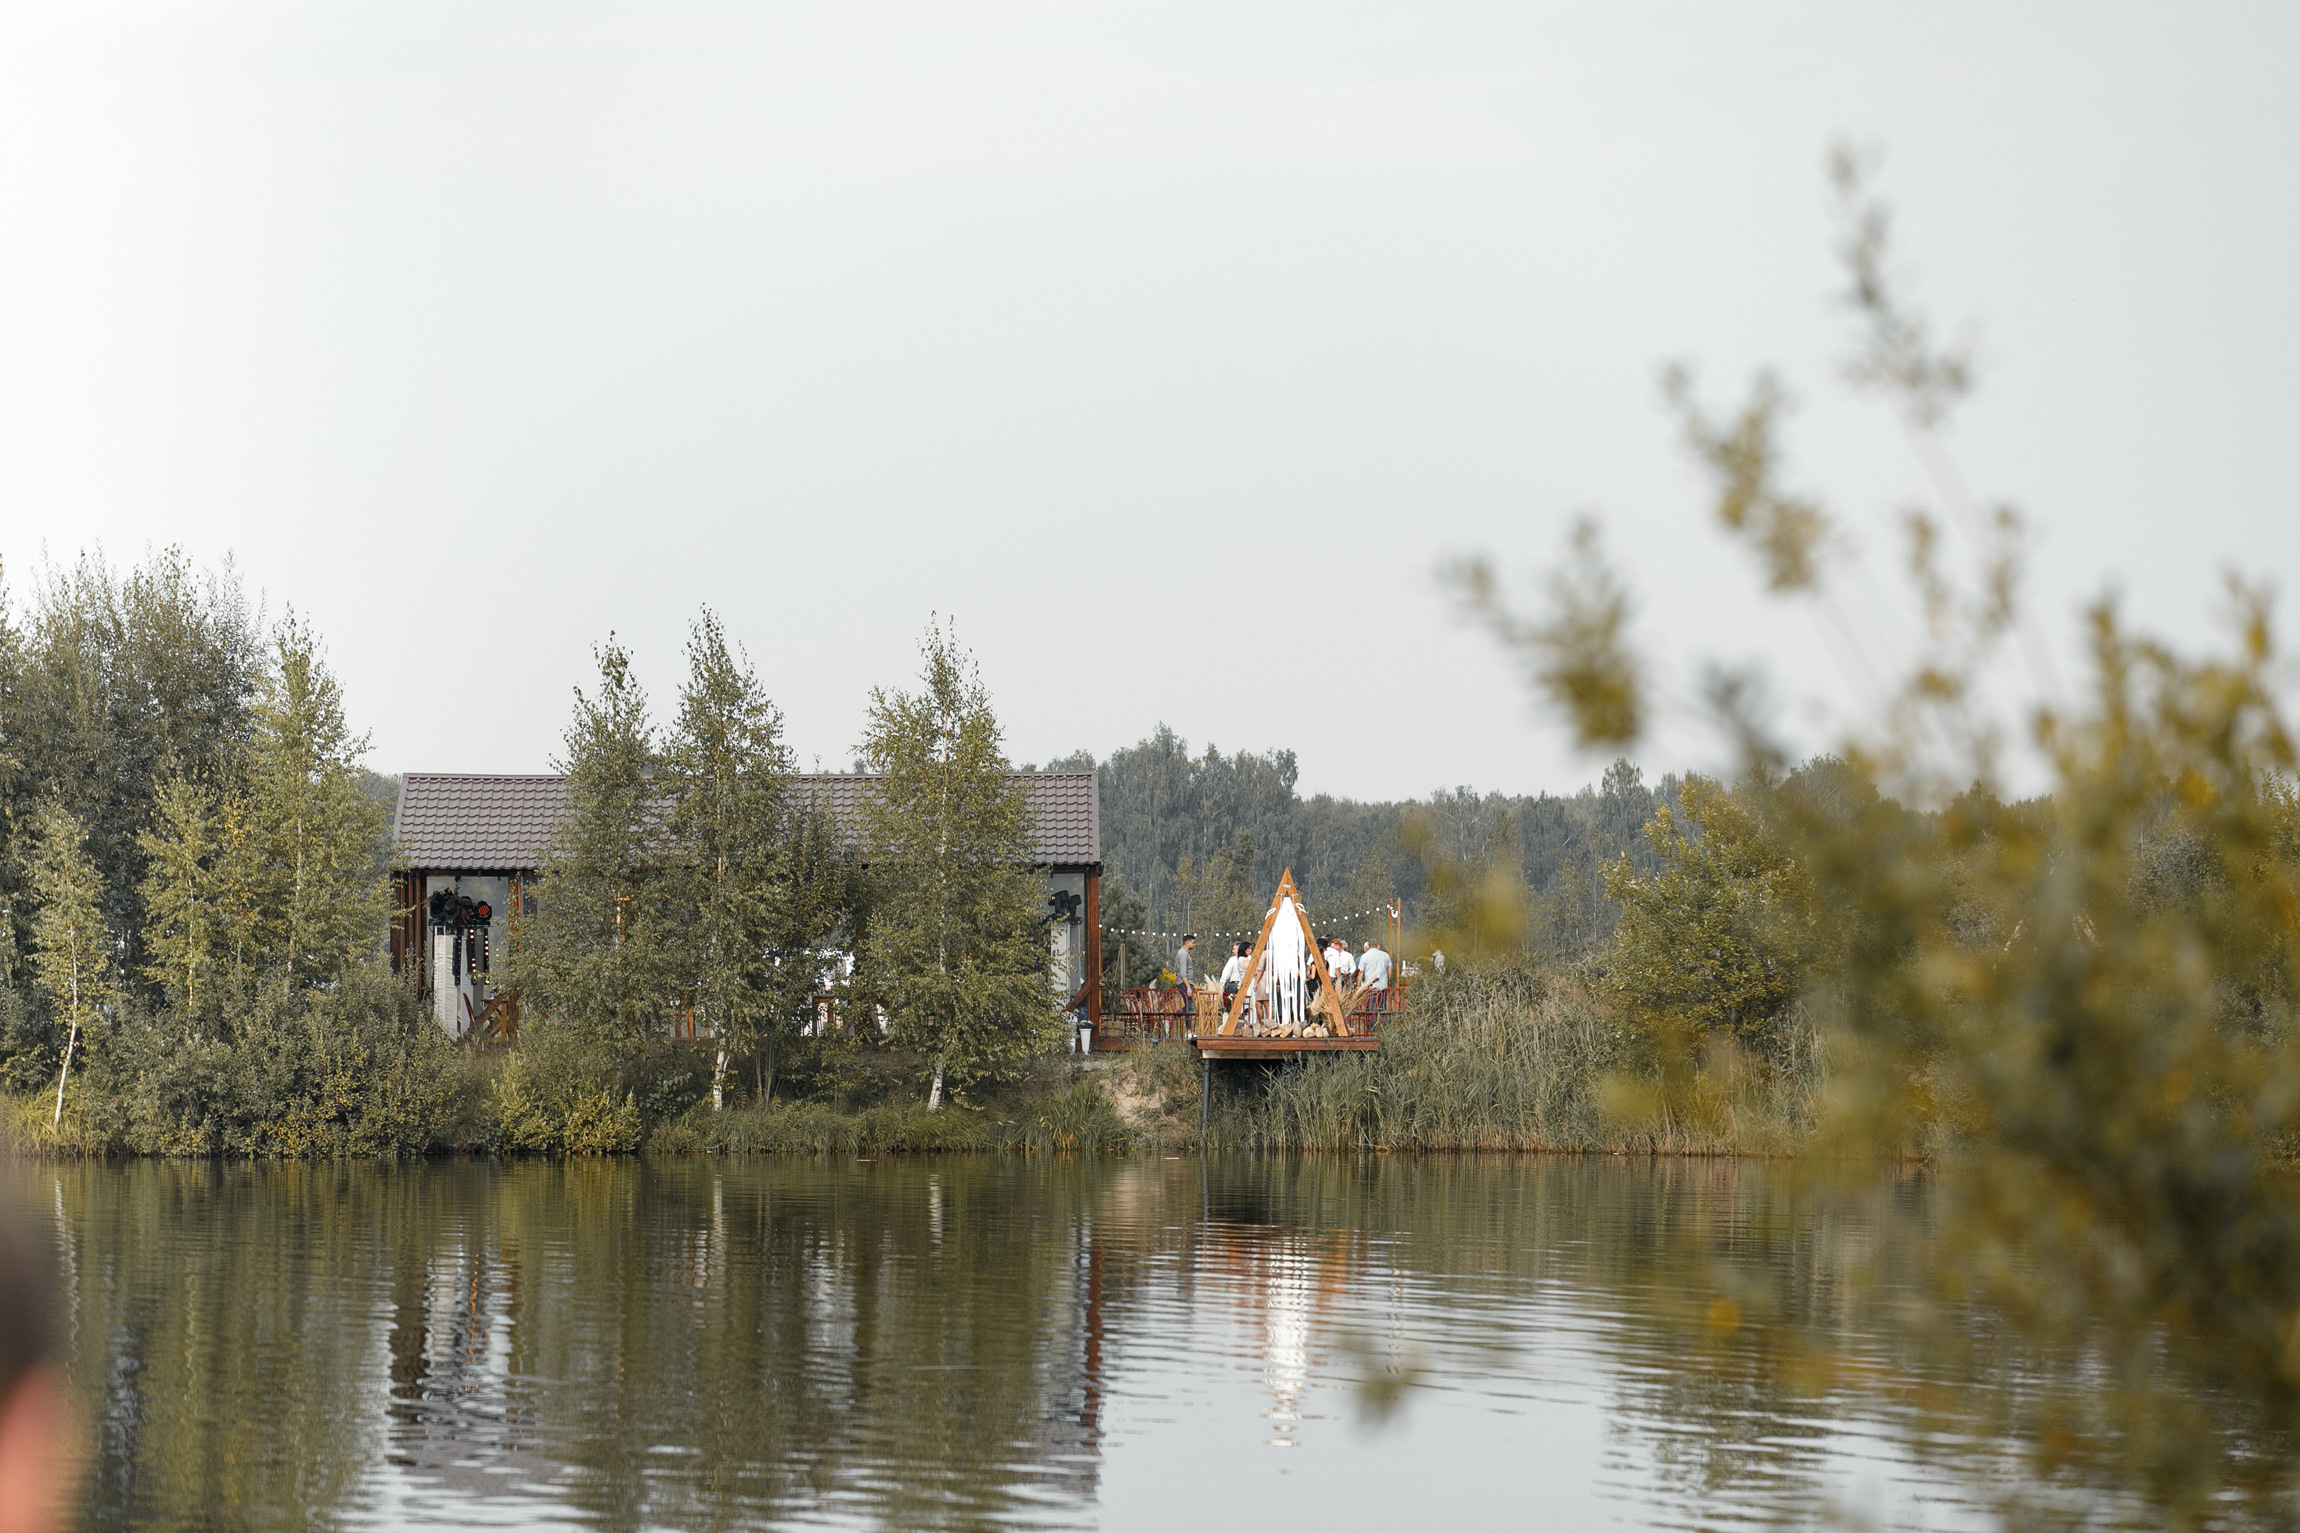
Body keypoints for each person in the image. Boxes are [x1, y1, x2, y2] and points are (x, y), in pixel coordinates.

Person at [1218, 941, 1249, 1015]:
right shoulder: (1248, 959)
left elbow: (1226, 973)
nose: (1232, 951)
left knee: (1232, 1008)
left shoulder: (1233, 959)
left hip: (1234, 985)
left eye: (1234, 949)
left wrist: (1221, 986)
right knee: (1246, 1007)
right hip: (1247, 985)